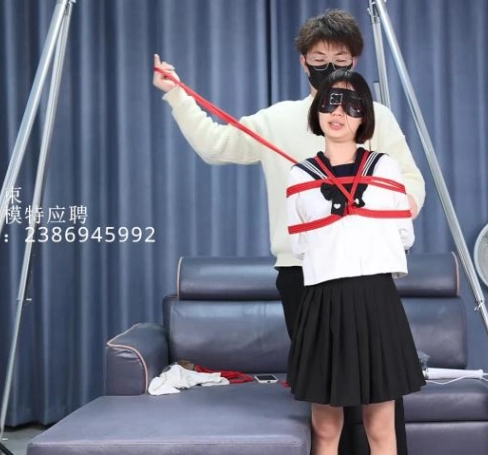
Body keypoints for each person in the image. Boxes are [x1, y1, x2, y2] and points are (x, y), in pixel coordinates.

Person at [153, 9, 425, 454]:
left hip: (368, 276)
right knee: (329, 401)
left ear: (355, 62)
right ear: (303, 62)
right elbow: (216, 145)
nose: (329, 68)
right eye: (319, 59)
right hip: (305, 277)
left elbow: (409, 184)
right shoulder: (278, 121)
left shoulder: (374, 118)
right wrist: (178, 95)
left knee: (380, 401)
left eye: (340, 59)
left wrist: (379, 217)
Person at [286, 68, 425, 455]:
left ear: (365, 117)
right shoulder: (299, 175)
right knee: (325, 427)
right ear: (317, 110)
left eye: (352, 105)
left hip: (376, 299)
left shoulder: (386, 167)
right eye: (331, 102)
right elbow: (299, 244)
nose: (339, 112)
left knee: (380, 426)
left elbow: (403, 235)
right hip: (324, 302)